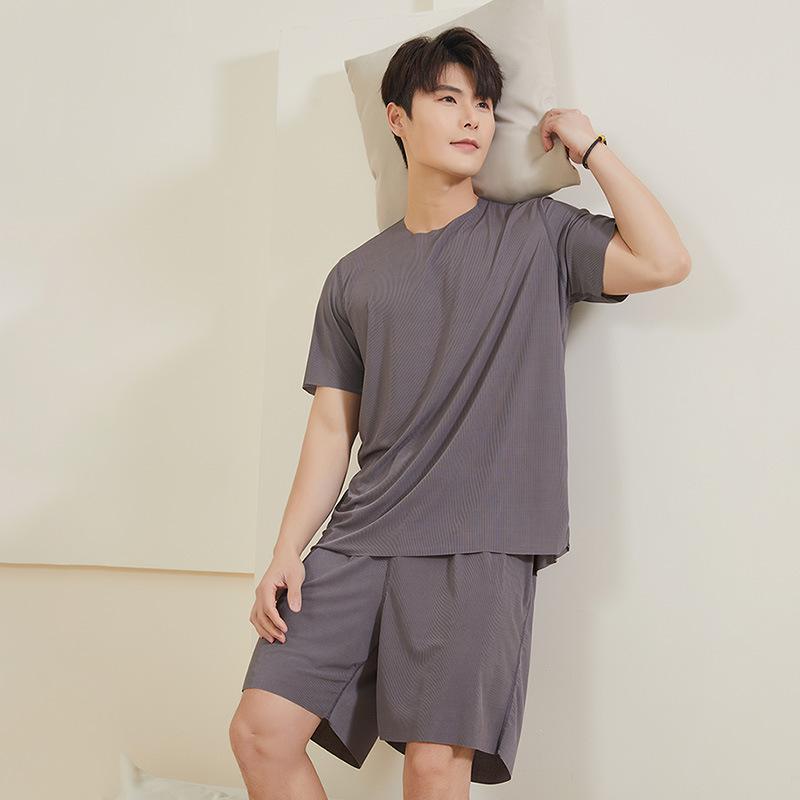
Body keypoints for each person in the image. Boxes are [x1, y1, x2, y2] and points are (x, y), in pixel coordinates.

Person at [229, 26, 691, 800]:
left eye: (483, 103)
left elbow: (664, 260)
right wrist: (287, 549)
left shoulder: (538, 235)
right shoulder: (352, 277)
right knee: (259, 733)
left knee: (433, 767)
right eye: (448, 99)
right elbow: (333, 429)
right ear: (397, 117)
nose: (473, 117)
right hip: (362, 533)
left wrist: (592, 147)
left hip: (481, 540)